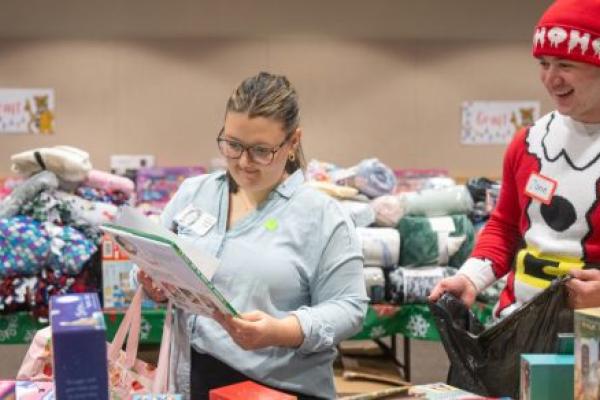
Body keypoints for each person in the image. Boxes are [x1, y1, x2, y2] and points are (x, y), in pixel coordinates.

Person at [136, 72, 368, 400]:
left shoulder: (322, 217)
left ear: (293, 143)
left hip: (280, 386)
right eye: (232, 145)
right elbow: (150, 258)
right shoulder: (194, 194)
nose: (243, 163)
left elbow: (350, 307)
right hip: (192, 380)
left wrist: (282, 331)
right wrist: (151, 282)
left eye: (261, 150)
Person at [430, 0, 600, 316]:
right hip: (518, 325)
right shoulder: (529, 142)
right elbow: (506, 225)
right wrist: (471, 277)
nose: (551, 79)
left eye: (565, 64)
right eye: (543, 63)